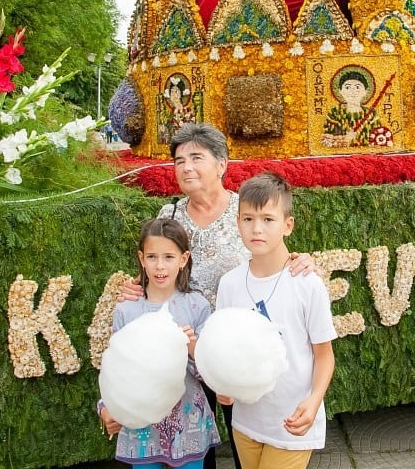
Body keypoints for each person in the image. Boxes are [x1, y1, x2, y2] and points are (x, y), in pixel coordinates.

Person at [121, 122, 315, 469]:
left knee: (247, 440)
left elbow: (274, 252)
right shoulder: (171, 214)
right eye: (179, 161)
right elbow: (158, 265)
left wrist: (304, 260)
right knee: (194, 446)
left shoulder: (246, 211)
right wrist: (136, 287)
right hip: (186, 351)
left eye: (197, 157)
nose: (187, 167)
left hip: (238, 351)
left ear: (222, 164)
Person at [215, 173, 336, 469]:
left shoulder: (306, 283)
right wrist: (223, 385)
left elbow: (324, 355)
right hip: (246, 421)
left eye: (268, 219)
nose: (257, 229)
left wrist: (314, 399)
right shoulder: (229, 284)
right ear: (238, 222)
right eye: (248, 219)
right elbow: (225, 350)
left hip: (292, 421)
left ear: (287, 225)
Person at [98, 217, 221, 468]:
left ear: (183, 259)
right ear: (142, 259)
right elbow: (114, 370)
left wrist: (192, 347)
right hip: (142, 427)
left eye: (168, 257)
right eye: (152, 257)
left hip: (188, 424)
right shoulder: (128, 309)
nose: (160, 266)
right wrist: (106, 407)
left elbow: (212, 374)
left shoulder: (197, 306)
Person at [321, 68, 381, 147]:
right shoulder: (334, 113)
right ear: (340, 91)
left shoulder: (372, 114)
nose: (352, 91)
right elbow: (325, 141)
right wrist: (345, 139)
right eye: (347, 87)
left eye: (357, 87)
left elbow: (378, 139)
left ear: (365, 91)